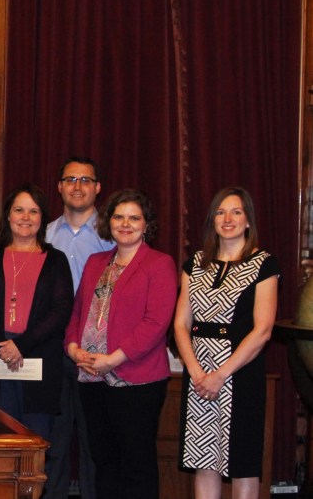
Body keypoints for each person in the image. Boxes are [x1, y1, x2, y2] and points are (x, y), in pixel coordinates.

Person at [64, 189, 176, 499]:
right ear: (109, 222)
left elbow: (156, 323)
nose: (125, 224)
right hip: (91, 378)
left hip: (137, 380)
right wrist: (73, 349)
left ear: (146, 224)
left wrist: (113, 359)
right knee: (104, 462)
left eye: (134, 218)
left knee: (136, 464)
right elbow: (77, 313)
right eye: (118, 217)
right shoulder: (96, 262)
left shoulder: (159, 263)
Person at [174, 187, 278, 499]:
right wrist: (196, 372)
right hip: (198, 373)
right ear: (212, 220)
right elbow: (180, 324)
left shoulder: (264, 264)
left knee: (242, 463)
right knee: (204, 461)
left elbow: (263, 330)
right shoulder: (195, 263)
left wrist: (220, 375)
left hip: (240, 373)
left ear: (248, 220)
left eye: (236, 212)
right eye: (220, 212)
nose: (227, 219)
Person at [0, 183, 73, 439]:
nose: (26, 217)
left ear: (42, 218)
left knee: (35, 441)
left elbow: (61, 311)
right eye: (19, 210)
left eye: (33, 211)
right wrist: (2, 346)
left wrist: (20, 345)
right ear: (8, 215)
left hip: (39, 358)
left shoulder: (56, 260)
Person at [45, 157, 112, 499]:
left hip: (97, 352)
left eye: (86, 180)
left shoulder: (112, 235)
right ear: (59, 186)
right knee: (53, 440)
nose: (77, 186)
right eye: (70, 179)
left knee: (93, 440)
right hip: (53, 347)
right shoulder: (44, 234)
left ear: (97, 187)